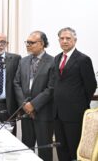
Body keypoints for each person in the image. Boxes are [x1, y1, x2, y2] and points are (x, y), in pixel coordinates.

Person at [53, 27, 97, 161]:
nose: (65, 41)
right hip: (57, 113)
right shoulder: (57, 58)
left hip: (75, 114)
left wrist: (79, 103)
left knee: (74, 149)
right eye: (62, 38)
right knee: (61, 150)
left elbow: (91, 85)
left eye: (68, 38)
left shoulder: (83, 59)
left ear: (75, 40)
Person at [14, 31, 54, 161]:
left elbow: (51, 88)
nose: (28, 45)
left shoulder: (53, 62)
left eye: (31, 43)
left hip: (43, 113)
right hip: (26, 112)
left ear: (42, 44)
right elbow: (16, 83)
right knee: (26, 149)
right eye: (27, 42)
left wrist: (34, 105)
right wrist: (25, 105)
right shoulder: (23, 61)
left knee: (44, 150)